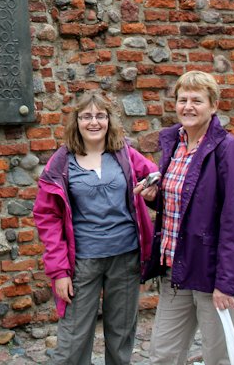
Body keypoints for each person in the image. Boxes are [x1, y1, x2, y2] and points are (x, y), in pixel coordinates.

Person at [138, 70, 234, 365]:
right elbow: (187, 205)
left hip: (212, 272)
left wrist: (226, 283)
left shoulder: (228, 149)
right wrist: (157, 198)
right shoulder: (175, 145)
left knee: (219, 358)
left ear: (213, 106)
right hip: (174, 270)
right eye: (182, 99)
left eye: (197, 100)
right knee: (163, 355)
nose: (188, 106)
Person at [33, 92, 158, 365]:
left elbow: (154, 175)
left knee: (121, 335)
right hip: (83, 263)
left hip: (126, 258)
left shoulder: (124, 153)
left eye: (100, 116)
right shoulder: (61, 163)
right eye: (87, 116)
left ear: (108, 120)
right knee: (72, 340)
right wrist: (59, 271)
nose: (94, 122)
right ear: (76, 121)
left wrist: (152, 186)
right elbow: (47, 217)